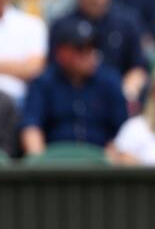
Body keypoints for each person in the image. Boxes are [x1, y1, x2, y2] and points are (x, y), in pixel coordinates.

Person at [20, 18, 127, 155]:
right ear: (61, 53)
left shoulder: (109, 81)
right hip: (55, 164)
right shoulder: (43, 82)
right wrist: (40, 165)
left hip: (100, 165)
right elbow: (31, 128)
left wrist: (107, 165)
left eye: (92, 48)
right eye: (80, 49)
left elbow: (122, 133)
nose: (89, 55)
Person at [49, 0, 148, 104]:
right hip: (71, 101)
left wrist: (126, 91)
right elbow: (52, 71)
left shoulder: (128, 22)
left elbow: (138, 68)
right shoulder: (61, 26)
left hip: (116, 103)